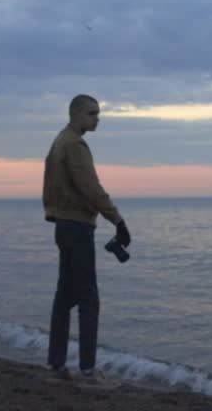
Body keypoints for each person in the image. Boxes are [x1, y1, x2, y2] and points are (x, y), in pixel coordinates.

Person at [42, 94, 131, 381]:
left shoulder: (59, 141)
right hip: (78, 228)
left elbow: (52, 187)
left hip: (64, 226)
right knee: (88, 299)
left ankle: (56, 363)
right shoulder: (75, 145)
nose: (97, 119)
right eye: (92, 113)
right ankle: (88, 369)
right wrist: (117, 220)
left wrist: (54, 213)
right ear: (77, 114)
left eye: (98, 113)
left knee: (65, 296)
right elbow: (91, 188)